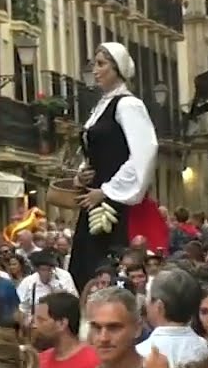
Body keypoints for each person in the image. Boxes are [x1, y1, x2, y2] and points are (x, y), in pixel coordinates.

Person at [68, 43, 163, 290]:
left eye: (102, 64)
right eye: (95, 64)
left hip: (113, 204)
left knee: (105, 265)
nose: (95, 71)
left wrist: (109, 191)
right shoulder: (102, 105)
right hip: (94, 198)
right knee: (86, 267)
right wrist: (82, 174)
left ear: (117, 68)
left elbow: (144, 151)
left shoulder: (128, 105)